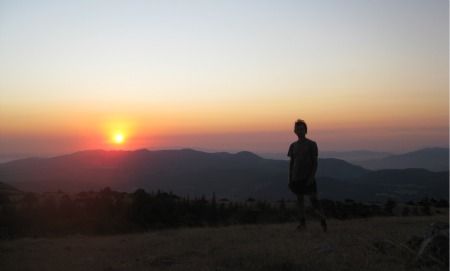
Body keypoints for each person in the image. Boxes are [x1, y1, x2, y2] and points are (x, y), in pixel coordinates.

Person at [288, 119, 327, 232]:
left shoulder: (312, 144)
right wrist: (290, 178)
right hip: (296, 178)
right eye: (297, 129)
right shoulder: (293, 146)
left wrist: (311, 177)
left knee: (314, 201)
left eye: (302, 129)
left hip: (308, 178)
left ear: (306, 130)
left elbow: (315, 162)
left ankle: (323, 221)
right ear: (294, 131)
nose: (299, 131)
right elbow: (292, 163)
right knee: (300, 201)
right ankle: (302, 223)